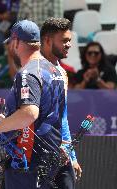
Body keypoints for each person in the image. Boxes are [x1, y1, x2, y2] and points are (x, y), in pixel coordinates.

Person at [0, 20, 66, 189]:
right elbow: (44, 114)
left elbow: (29, 114)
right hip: (50, 157)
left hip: (29, 160)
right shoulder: (55, 70)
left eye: (11, 42)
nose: (11, 47)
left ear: (17, 42)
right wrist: (8, 121)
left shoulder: (27, 73)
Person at [40, 17, 82, 189]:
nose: (69, 44)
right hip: (36, 156)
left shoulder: (62, 73)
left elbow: (61, 117)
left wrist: (72, 156)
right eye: (64, 41)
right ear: (48, 41)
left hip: (60, 154)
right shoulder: (32, 71)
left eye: (70, 40)